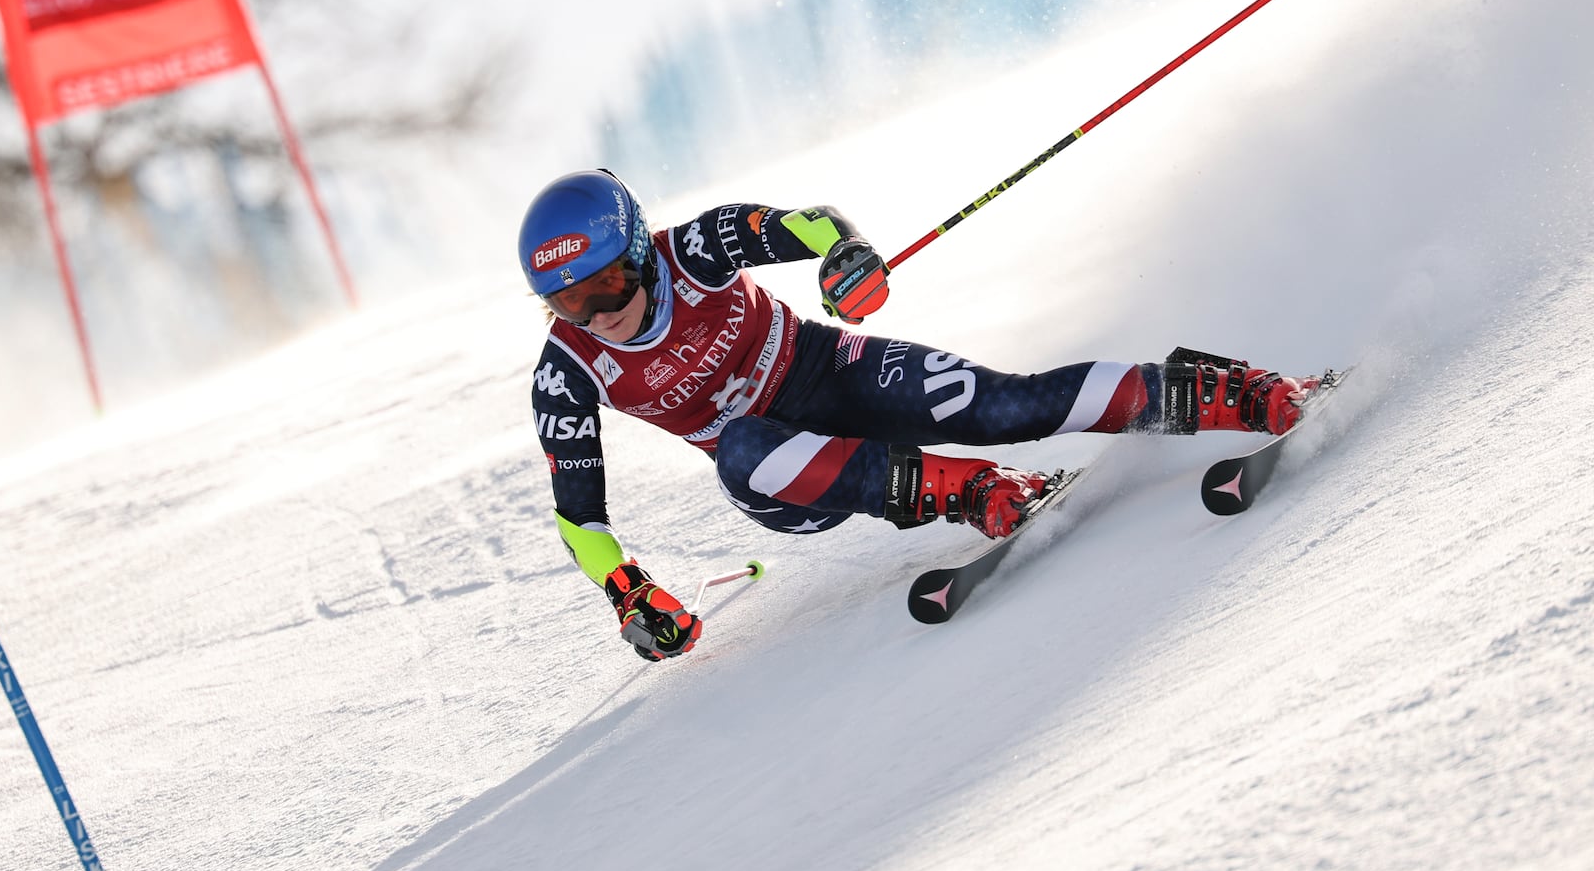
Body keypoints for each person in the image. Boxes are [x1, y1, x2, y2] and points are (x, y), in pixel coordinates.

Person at [521, 169, 1319, 661]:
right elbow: (580, 520)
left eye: (609, 285)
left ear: (637, 249)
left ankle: (1226, 391)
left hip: (832, 369)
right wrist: (628, 591)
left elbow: (809, 222)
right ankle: (970, 489)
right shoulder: (567, 370)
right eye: (569, 300)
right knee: (739, 445)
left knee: (1006, 403)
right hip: (788, 481)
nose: (597, 312)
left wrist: (845, 254)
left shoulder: (690, 249)